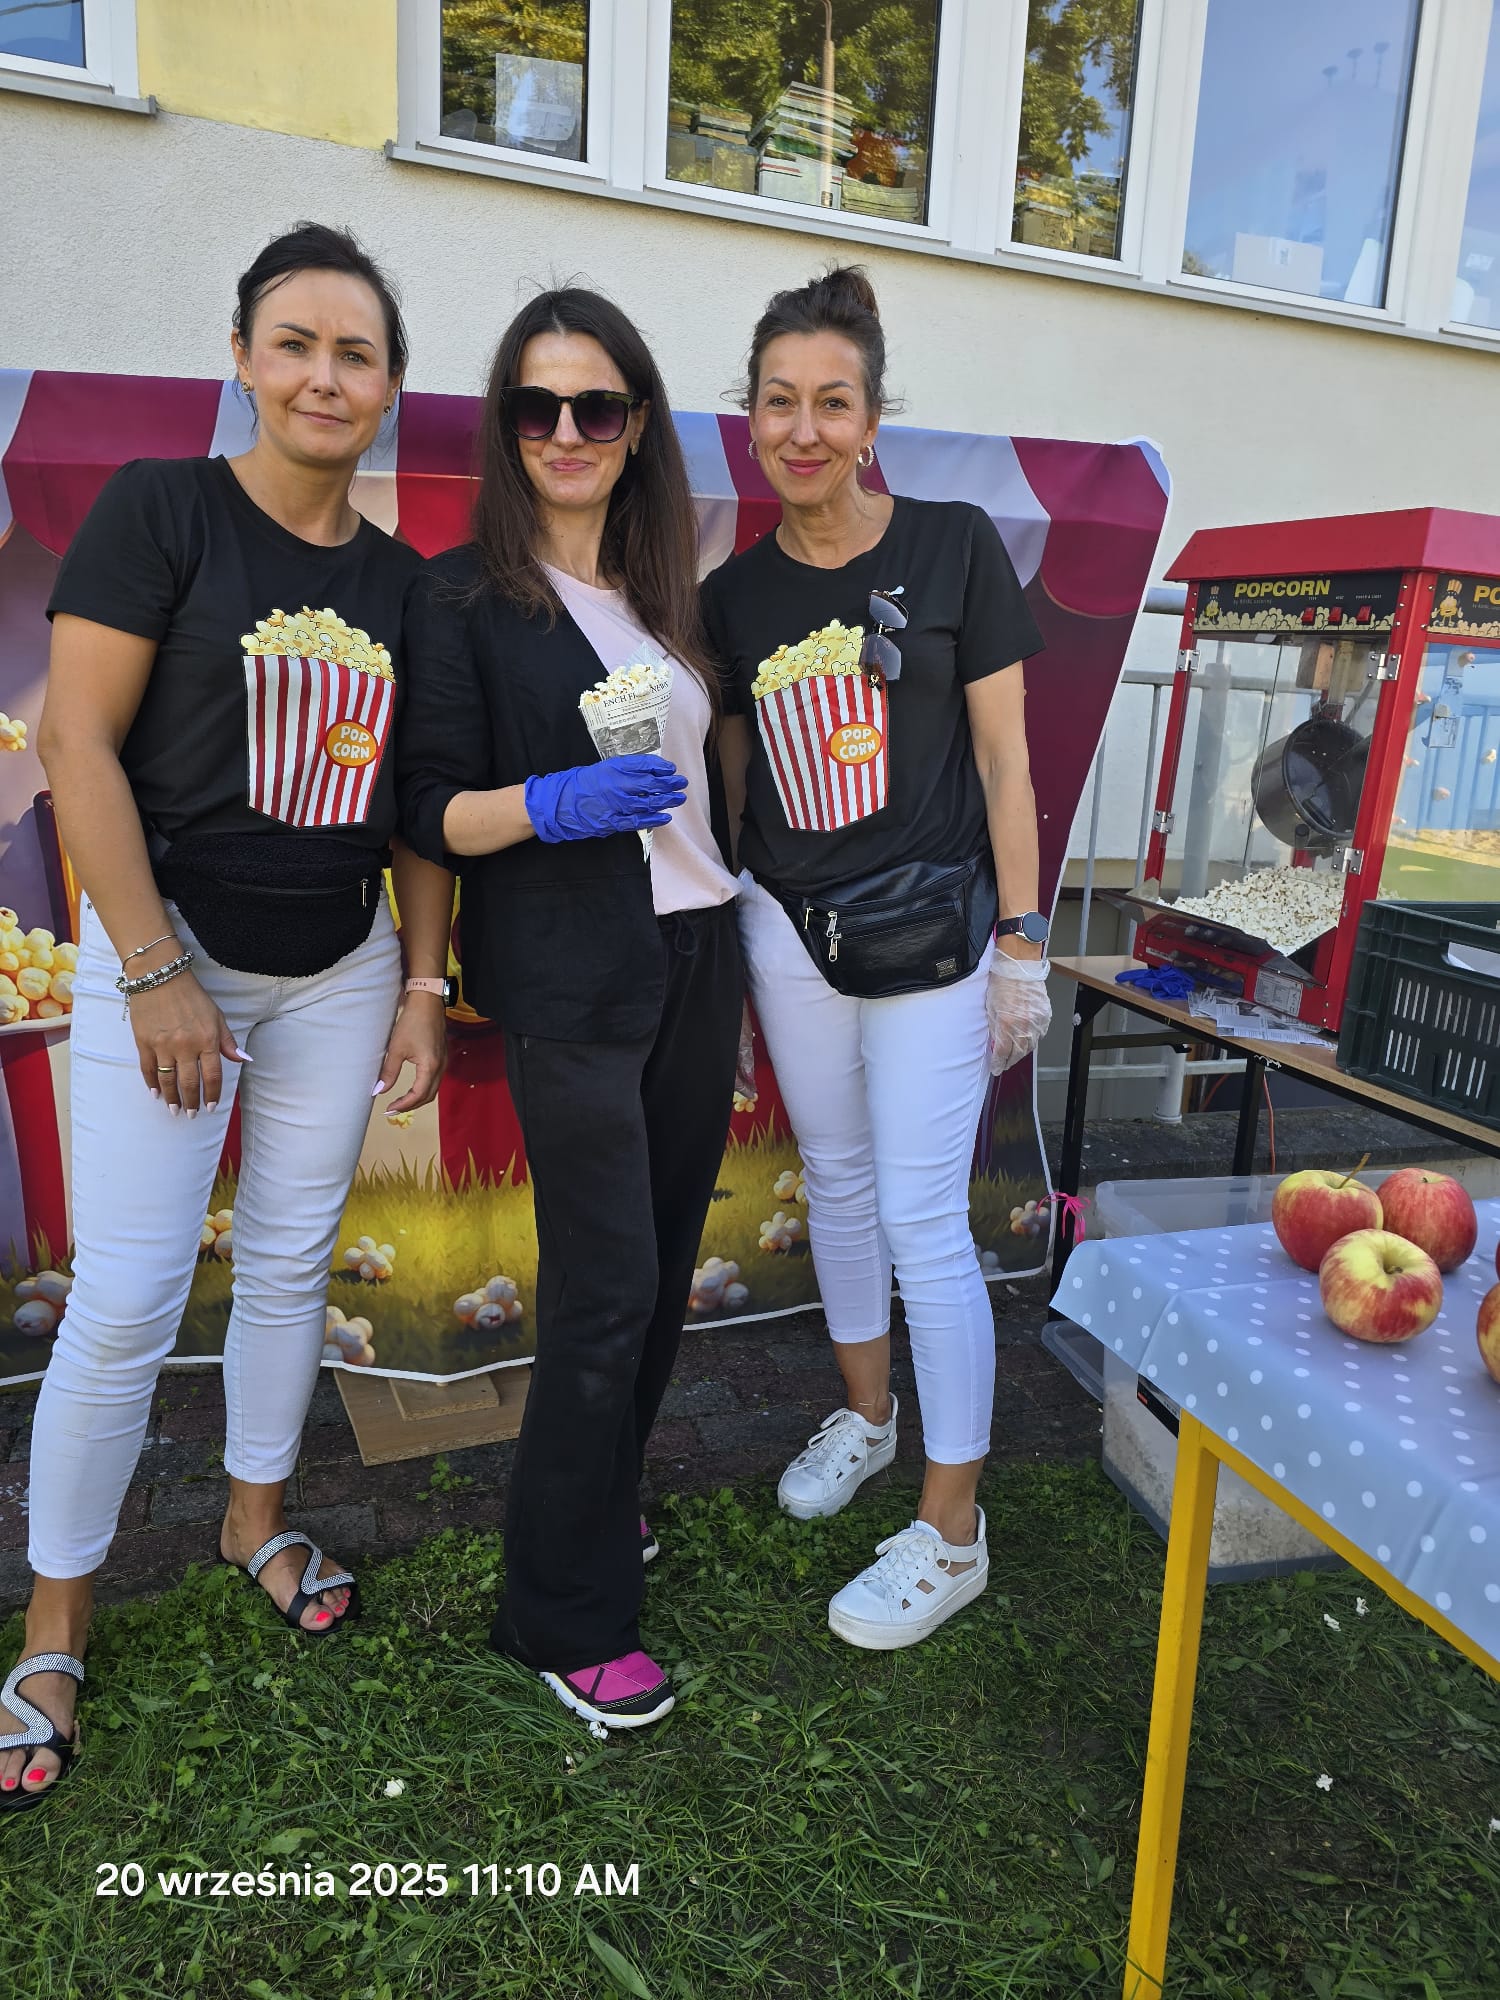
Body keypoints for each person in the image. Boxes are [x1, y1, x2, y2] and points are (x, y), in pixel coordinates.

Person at [0, 224, 454, 1810]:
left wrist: (421, 981)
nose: (325, 375)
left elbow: (416, 804)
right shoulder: (162, 511)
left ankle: (253, 1520)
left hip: (336, 966)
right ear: (244, 360)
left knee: (287, 1263)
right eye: (295, 343)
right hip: (167, 948)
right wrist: (150, 971)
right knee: (127, 1296)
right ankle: (54, 1621)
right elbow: (75, 744)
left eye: (357, 352)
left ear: (390, 386)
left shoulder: (405, 586)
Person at [398, 289, 741, 1730]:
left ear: (637, 422)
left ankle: (601, 1501)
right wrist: (547, 803)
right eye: (535, 407)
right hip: (569, 976)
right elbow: (425, 808)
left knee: (659, 1271)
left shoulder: (669, 600)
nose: (565, 431)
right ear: (506, 428)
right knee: (603, 1288)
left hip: (697, 959)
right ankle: (560, 1611)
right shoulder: (462, 598)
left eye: (595, 405)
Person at [703, 266, 1053, 1652]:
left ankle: (953, 1530)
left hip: (935, 935)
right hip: (786, 926)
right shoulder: (733, 596)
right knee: (836, 1182)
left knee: (921, 1216)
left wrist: (1023, 940)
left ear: (871, 417)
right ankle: (866, 1415)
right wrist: (735, 933)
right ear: (749, 415)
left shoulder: (956, 547)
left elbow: (1006, 761)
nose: (804, 430)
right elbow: (734, 776)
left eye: (832, 403)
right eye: (778, 401)